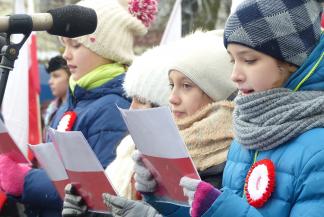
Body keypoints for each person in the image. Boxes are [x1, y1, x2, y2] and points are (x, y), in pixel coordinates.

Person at [0, 0, 157, 216]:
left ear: (109, 51)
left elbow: (99, 191)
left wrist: (26, 180)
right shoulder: (77, 99)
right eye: (64, 44)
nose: (66, 54)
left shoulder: (114, 107)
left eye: (76, 45)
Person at [176, 1, 324, 217]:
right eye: (232, 60)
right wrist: (168, 205)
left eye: (249, 60)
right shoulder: (247, 129)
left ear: (292, 62)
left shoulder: (318, 150)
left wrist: (219, 209)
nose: (235, 75)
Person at [101, 30, 237, 216]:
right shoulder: (163, 148)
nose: (172, 98)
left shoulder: (235, 157)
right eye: (172, 85)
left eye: (187, 86)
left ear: (216, 92)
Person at [62, 43, 172, 217]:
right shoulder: (126, 149)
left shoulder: (176, 158)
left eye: (141, 100)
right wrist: (86, 211)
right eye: (132, 98)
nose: (130, 108)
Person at [43, 55, 70, 130]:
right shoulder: (51, 108)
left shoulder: (76, 109)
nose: (50, 82)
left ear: (71, 77)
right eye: (50, 77)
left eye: (56, 76)